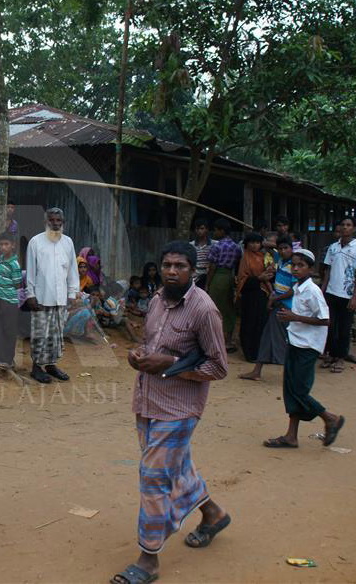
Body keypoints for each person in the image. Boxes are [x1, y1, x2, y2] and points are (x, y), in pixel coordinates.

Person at [113, 241, 230, 584]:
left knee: (153, 478)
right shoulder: (156, 300)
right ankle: (213, 514)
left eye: (180, 266)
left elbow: (218, 368)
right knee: (175, 469)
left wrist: (171, 365)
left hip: (180, 408)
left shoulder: (204, 310)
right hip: (148, 400)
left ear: (193, 271)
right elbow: (153, 345)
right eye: (167, 265)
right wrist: (140, 355)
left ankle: (148, 559)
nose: (172, 271)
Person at [263, 249, 345, 449]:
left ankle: (330, 418)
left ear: (311, 269)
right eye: (294, 265)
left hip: (308, 346)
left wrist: (294, 317)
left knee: (299, 390)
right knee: (290, 390)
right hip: (296, 341)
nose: (296, 269)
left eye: (301, 266)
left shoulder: (313, 291)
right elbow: (292, 292)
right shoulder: (299, 286)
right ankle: (291, 436)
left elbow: (325, 320)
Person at [24, 207, 79, 384]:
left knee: (56, 334)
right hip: (41, 296)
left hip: (61, 297)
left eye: (58, 221)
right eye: (52, 220)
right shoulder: (36, 242)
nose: (55, 224)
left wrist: (72, 293)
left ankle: (51, 365)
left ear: (62, 223)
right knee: (41, 333)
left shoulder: (68, 242)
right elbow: (31, 270)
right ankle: (36, 367)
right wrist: (30, 294)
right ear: (46, 221)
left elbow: (72, 269)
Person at [240, 236, 295, 381]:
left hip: (286, 306)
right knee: (267, 337)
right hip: (277, 304)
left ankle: (289, 374)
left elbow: (293, 290)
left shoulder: (294, 266)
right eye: (280, 248)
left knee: (283, 339)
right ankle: (257, 371)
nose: (283, 251)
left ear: (292, 249)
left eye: (286, 248)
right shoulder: (280, 263)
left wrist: (275, 298)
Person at [320, 216, 356, 373]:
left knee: (344, 328)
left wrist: (355, 297)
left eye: (348, 225)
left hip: (347, 295)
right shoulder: (333, 247)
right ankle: (331, 355)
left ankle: (340, 358)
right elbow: (327, 270)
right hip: (331, 292)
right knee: (331, 326)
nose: (345, 227)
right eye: (343, 224)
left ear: (353, 228)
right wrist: (322, 291)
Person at [206, 218, 242, 353]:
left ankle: (215, 340)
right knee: (229, 309)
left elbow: (212, 267)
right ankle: (228, 339)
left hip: (218, 278)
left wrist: (208, 284)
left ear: (221, 231)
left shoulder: (217, 246)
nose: (214, 232)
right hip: (230, 277)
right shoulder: (236, 247)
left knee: (215, 308)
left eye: (215, 230)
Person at [235, 233, 272, 362]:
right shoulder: (244, 258)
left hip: (263, 295)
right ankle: (250, 353)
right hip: (250, 295)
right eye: (252, 242)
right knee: (249, 323)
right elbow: (241, 280)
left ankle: (260, 353)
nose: (254, 245)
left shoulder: (265, 256)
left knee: (261, 323)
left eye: (257, 242)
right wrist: (258, 278)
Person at [0, 233, 22, 370]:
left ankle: (7, 360)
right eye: (1, 244)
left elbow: (17, 284)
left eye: (6, 244)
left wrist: (5, 292)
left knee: (8, 330)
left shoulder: (14, 264)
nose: (3, 247)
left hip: (9, 302)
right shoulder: (0, 259)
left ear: (13, 246)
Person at [190, 219, 214, 289]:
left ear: (207, 229)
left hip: (209, 275)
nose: (199, 231)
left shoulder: (214, 244)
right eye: (197, 229)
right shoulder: (191, 245)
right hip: (196, 276)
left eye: (202, 228)